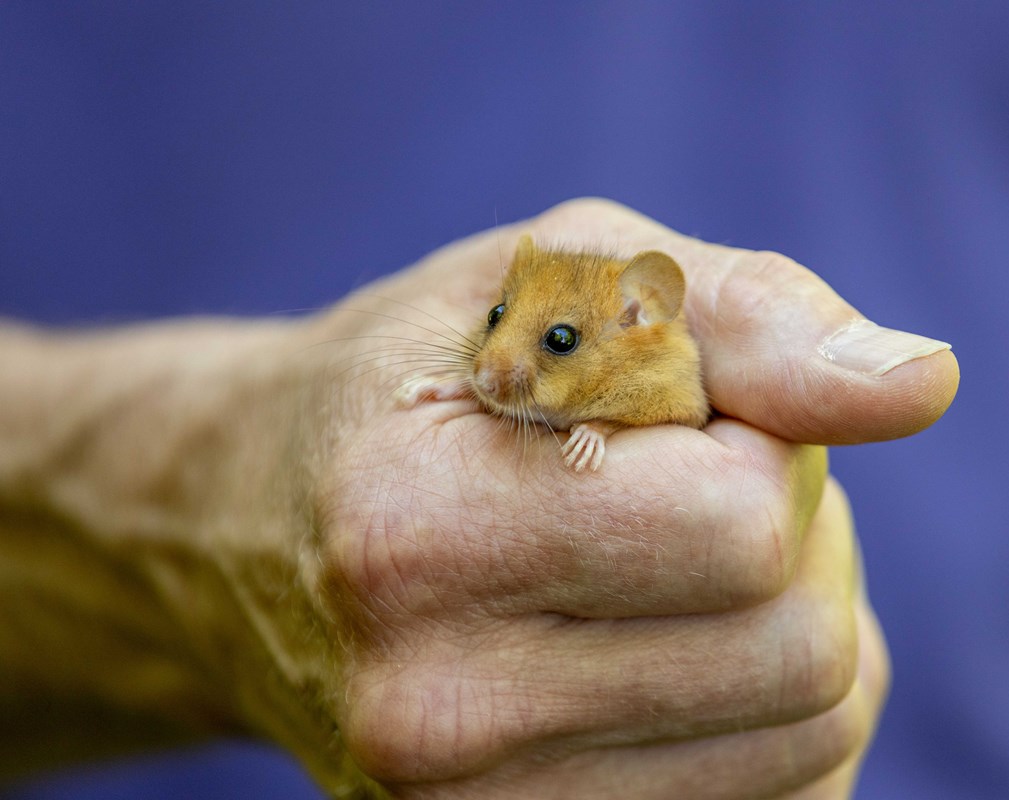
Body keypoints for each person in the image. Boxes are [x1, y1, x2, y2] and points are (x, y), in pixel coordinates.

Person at [0, 199, 958, 798]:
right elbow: (492, 362)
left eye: (555, 344)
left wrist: (608, 429)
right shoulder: (510, 350)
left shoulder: (654, 366)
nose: (502, 360)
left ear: (642, 315)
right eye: (499, 322)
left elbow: (679, 408)